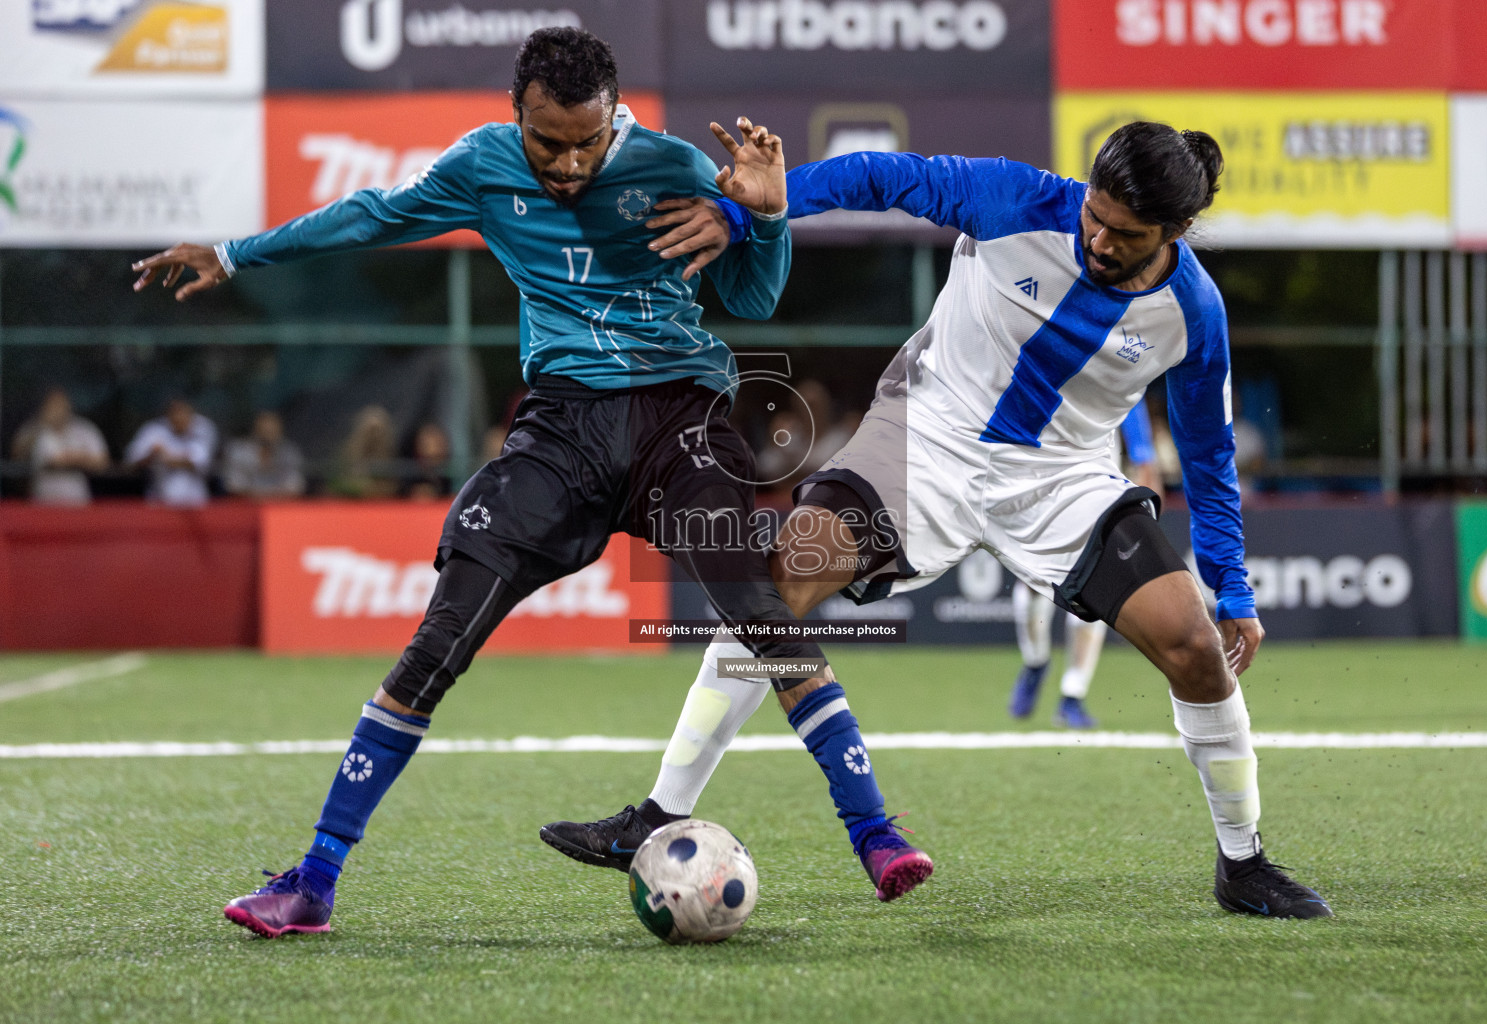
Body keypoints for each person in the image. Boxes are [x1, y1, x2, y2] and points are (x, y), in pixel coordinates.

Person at [131, 27, 926, 938]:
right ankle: (314, 880)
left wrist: (769, 217)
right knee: (439, 642)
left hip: (683, 424)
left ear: (613, 115)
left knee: (760, 614)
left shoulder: (667, 164)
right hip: (561, 432)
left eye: (588, 141)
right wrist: (236, 255)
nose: (571, 162)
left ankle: (874, 834)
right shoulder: (482, 167)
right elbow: (372, 215)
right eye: (550, 142)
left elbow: (749, 300)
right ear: (517, 116)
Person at [545, 122, 1332, 919]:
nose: (1096, 237)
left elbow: (1209, 453)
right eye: (1094, 215)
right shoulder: (1015, 199)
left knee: (1196, 646)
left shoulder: (1193, 311)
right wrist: (765, 209)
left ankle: (1244, 863)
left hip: (1061, 478)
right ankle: (657, 814)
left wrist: (1233, 587)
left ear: (1172, 234)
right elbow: (886, 177)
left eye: (1123, 235)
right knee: (775, 589)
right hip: (928, 436)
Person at [1009, 397, 1163, 729]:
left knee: (1095, 587)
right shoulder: (1049, 364)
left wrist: (1146, 469)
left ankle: (1072, 696)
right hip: (1044, 489)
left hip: (1100, 493)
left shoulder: (1122, 370)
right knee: (1033, 584)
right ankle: (1036, 662)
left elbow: (1142, 446)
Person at [124, 398, 217, 506]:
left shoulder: (203, 428)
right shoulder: (153, 430)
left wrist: (164, 455)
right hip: (159, 500)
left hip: (194, 502)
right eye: (175, 414)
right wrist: (150, 455)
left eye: (183, 414)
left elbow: (199, 462)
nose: (180, 418)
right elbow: (130, 461)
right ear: (168, 416)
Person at [26, 388, 110, 505]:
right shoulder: (37, 430)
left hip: (76, 502)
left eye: (61, 403)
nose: (58, 409)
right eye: (53, 404)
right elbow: (53, 460)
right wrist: (81, 457)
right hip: (44, 502)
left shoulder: (84, 429)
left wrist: (71, 458)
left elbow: (102, 462)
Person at [223, 410, 306, 499]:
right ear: (255, 430)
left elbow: (295, 485)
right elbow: (234, 485)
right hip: (244, 505)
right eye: (265, 430)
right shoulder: (239, 452)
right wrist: (259, 495)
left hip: (281, 506)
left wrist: (270, 496)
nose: (267, 436)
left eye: (272, 431)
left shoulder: (289, 453)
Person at [329, 405, 399, 499]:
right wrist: (358, 487)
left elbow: (394, 487)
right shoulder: (347, 455)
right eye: (370, 431)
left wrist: (376, 489)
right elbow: (335, 484)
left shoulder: (393, 458)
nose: (373, 436)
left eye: (377, 431)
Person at [397, 422, 454, 500]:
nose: (433, 447)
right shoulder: (406, 473)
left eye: (436, 442)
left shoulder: (453, 475)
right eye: (427, 442)